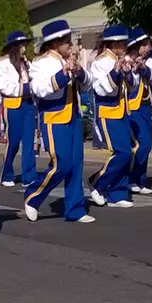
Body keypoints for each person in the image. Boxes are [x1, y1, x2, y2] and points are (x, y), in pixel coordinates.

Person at [23, 20, 95, 224]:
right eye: (66, 41)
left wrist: (79, 72)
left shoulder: (72, 59)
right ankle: (33, 195)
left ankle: (75, 209)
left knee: (76, 164)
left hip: (73, 116)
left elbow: (89, 82)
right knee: (61, 163)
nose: (70, 45)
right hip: (53, 117)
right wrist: (62, 75)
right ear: (54, 43)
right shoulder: (41, 63)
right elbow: (39, 89)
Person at [87, 25, 135, 208]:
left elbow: (129, 87)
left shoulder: (120, 60)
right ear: (113, 44)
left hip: (122, 111)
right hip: (107, 113)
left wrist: (129, 72)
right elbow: (102, 89)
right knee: (122, 152)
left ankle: (118, 193)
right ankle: (97, 182)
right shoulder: (101, 62)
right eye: (122, 43)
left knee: (127, 153)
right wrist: (116, 72)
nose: (125, 46)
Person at [0, 31, 37, 187]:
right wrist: (26, 88)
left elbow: (33, 79)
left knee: (29, 141)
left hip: (28, 104)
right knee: (13, 141)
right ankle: (6, 174)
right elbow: (4, 87)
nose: (24, 49)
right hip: (13, 104)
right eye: (21, 46)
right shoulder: (3, 63)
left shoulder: (26, 62)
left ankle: (29, 175)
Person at [126, 28, 152, 195]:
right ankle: (130, 179)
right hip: (132, 107)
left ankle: (140, 180)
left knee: (147, 145)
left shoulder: (150, 61)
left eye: (149, 45)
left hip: (146, 106)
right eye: (144, 45)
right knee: (141, 144)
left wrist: (144, 68)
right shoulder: (128, 60)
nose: (147, 48)